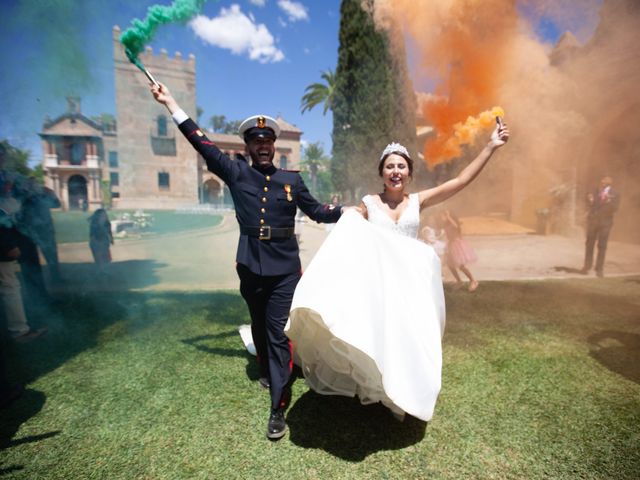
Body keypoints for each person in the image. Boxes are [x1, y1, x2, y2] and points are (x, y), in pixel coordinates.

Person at [150, 82, 343, 440]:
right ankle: (268, 371)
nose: (264, 147)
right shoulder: (236, 172)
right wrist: (171, 103)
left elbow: (317, 210)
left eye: (268, 142)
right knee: (258, 323)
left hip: (285, 269)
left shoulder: (291, 180)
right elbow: (201, 142)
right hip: (250, 265)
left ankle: (277, 408)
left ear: (275, 145)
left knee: (277, 333)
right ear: (249, 147)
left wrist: (350, 212)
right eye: (257, 142)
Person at [286, 121, 509, 422]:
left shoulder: (418, 201)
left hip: (410, 287)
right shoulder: (368, 204)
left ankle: (405, 395)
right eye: (390, 166)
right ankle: (379, 390)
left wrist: (491, 146)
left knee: (410, 341)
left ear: (409, 172)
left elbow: (459, 181)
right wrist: (350, 215)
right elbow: (349, 229)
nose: (395, 171)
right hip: (378, 287)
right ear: (381, 172)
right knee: (381, 338)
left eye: (401, 166)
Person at [580, 176, 620, 277]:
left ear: (610, 182)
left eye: (606, 179)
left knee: (602, 246)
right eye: (602, 179)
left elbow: (616, 208)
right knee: (589, 244)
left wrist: (608, 201)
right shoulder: (595, 190)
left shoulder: (615, 194)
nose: (603, 181)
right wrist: (589, 199)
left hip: (606, 223)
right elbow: (588, 201)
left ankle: (599, 269)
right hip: (593, 221)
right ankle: (587, 266)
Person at [440, 209, 479, 292]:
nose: (442, 217)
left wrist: (448, 216)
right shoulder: (446, 225)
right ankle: (459, 281)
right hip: (451, 245)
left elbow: (456, 226)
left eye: (444, 215)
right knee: (450, 265)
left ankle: (473, 281)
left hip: (457, 245)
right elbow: (445, 235)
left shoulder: (453, 223)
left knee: (460, 266)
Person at [88, 208, 113, 273]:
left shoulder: (107, 223)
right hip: (96, 242)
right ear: (98, 216)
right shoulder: (94, 224)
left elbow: (109, 232)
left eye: (105, 215)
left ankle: (105, 271)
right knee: (99, 259)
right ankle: (101, 271)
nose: (105, 217)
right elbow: (92, 235)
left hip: (104, 241)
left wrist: (111, 239)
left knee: (107, 259)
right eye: (102, 215)